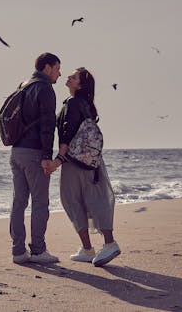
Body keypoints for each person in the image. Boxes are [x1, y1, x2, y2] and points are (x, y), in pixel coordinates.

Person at [47, 67, 121, 267]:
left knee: (72, 200)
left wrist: (58, 160)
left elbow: (67, 132)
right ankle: (92, 248)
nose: (69, 77)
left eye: (74, 76)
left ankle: (105, 244)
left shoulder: (72, 103)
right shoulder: (88, 105)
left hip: (74, 162)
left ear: (80, 84)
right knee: (95, 198)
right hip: (92, 161)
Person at [9, 52, 61, 264]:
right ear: (47, 68)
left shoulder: (23, 85)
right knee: (40, 202)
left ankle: (18, 252)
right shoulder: (45, 88)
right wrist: (47, 156)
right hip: (34, 153)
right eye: (58, 69)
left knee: (19, 202)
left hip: (16, 152)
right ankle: (38, 251)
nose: (59, 74)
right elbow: (48, 125)